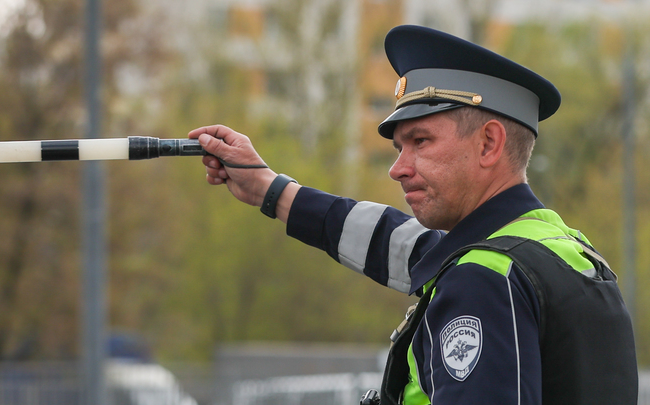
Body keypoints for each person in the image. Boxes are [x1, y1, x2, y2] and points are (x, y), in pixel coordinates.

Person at [188, 25, 638, 405]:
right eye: (398, 146)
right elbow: (394, 242)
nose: (398, 167)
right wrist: (269, 189)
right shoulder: (555, 248)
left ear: (489, 143)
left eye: (420, 141)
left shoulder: (484, 277)